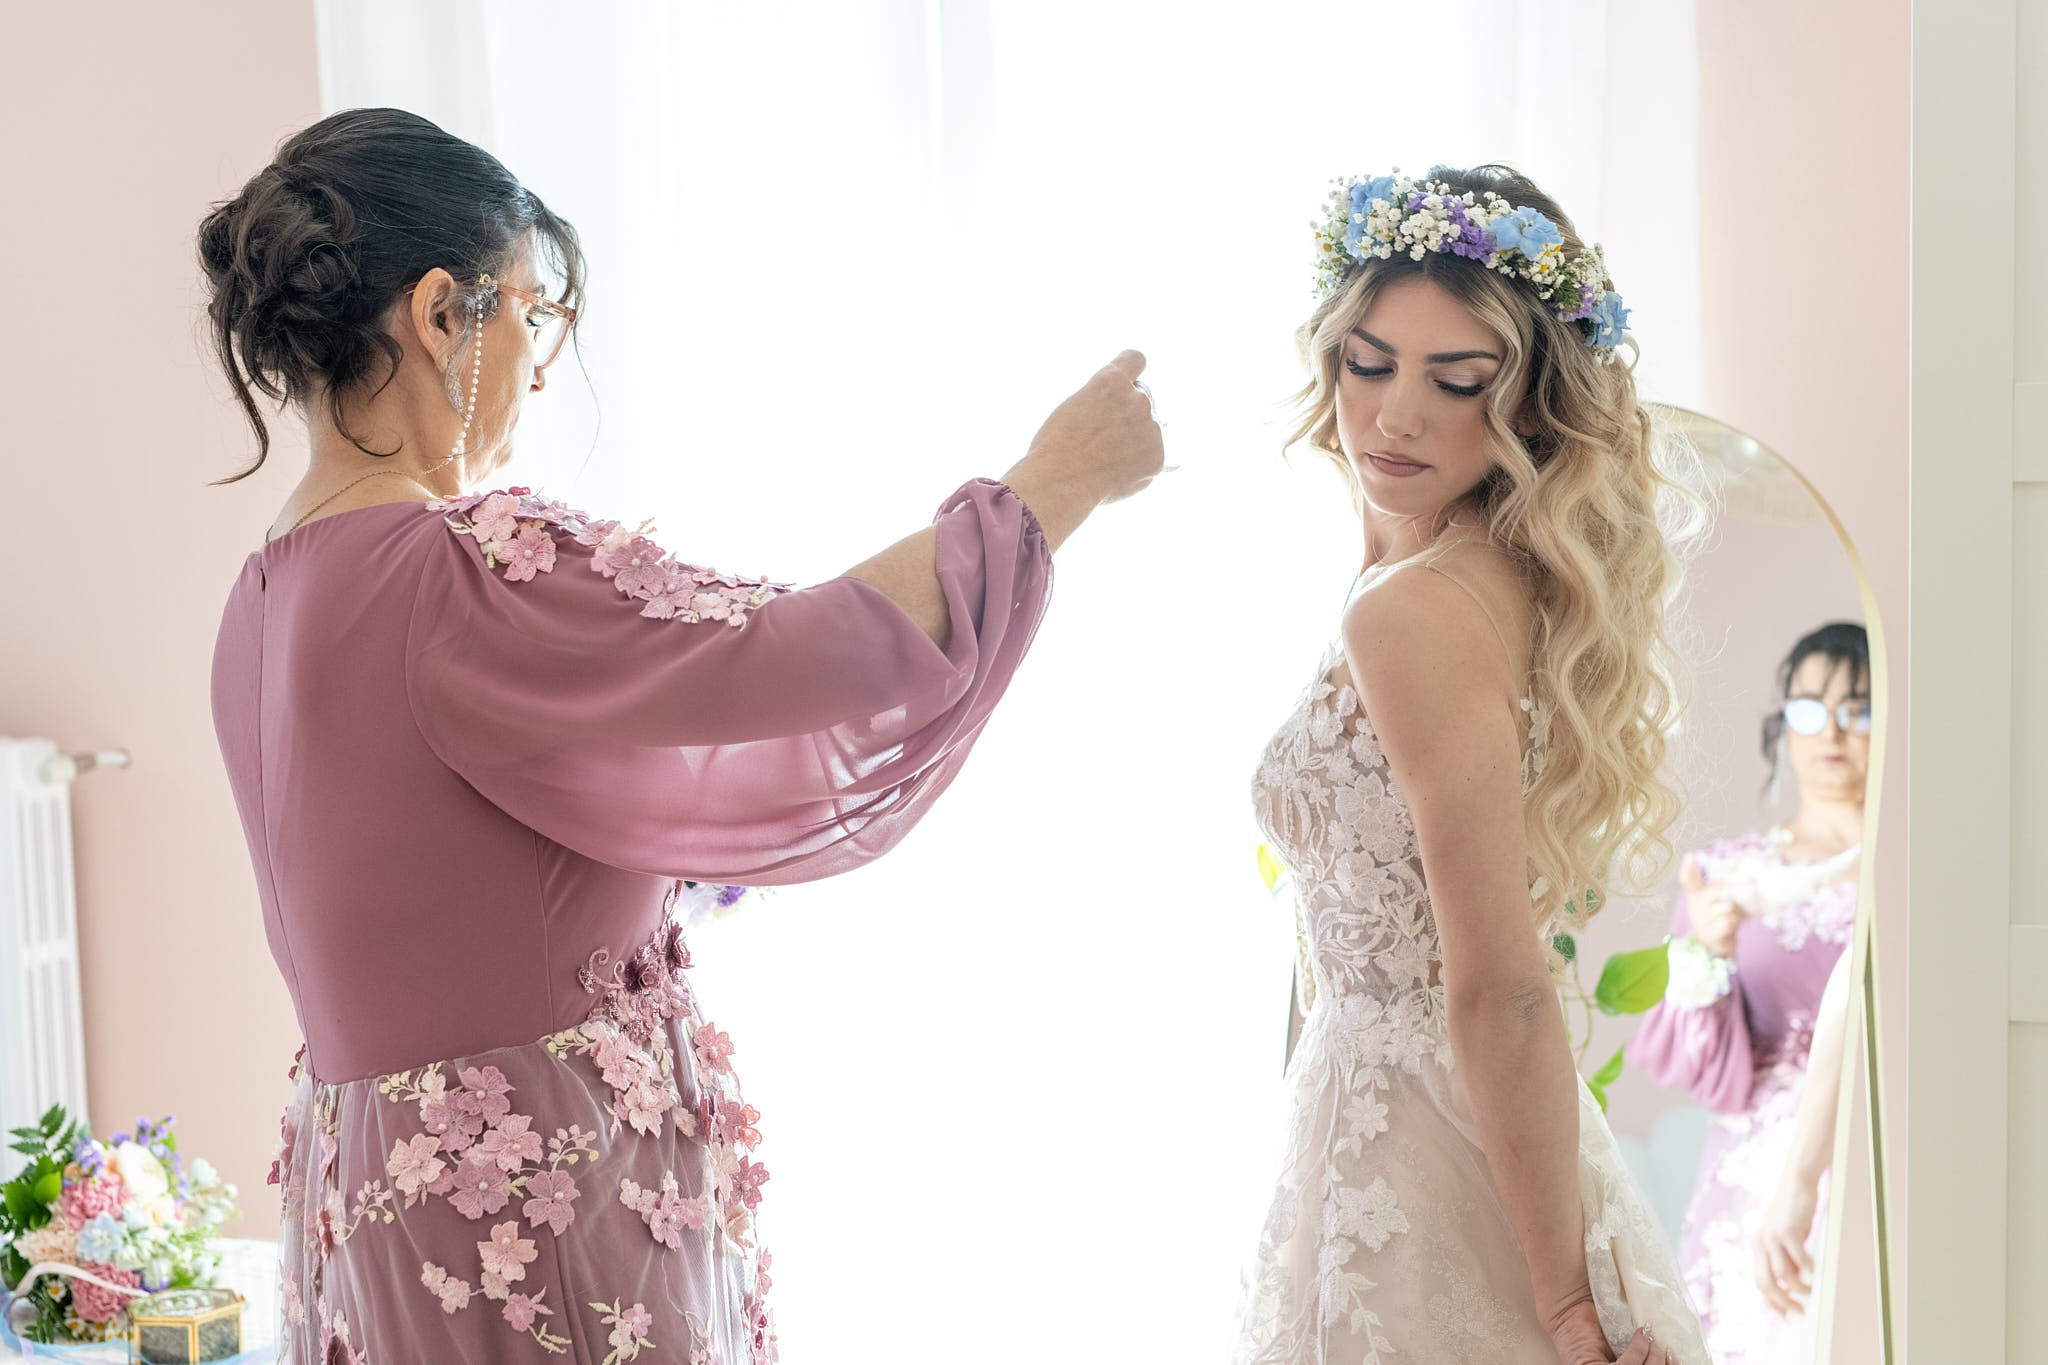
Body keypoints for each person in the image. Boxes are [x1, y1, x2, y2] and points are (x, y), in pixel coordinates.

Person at [199, 108, 1161, 1364]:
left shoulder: (263, 594)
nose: (540, 370)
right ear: (439, 313)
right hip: (530, 1183)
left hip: (368, 1182)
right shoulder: (459, 564)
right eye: (531, 318)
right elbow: (784, 656)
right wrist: (1054, 481)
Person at [1237, 166, 1708, 1365]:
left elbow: (1496, 982)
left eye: (1456, 382)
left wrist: (1559, 1303)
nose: (1393, 416)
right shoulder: (1502, 577)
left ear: (1532, 407)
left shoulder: (1413, 611)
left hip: (1416, 1155)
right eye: (1367, 362)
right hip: (1427, 1129)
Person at [1628, 623, 1870, 1362]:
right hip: (1751, 1172)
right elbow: (1701, 1068)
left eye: (1857, 708)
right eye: (1808, 707)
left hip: (1876, 1145)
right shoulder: (1725, 877)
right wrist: (1706, 948)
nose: (1830, 730)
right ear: (1783, 724)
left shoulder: (1914, 869)